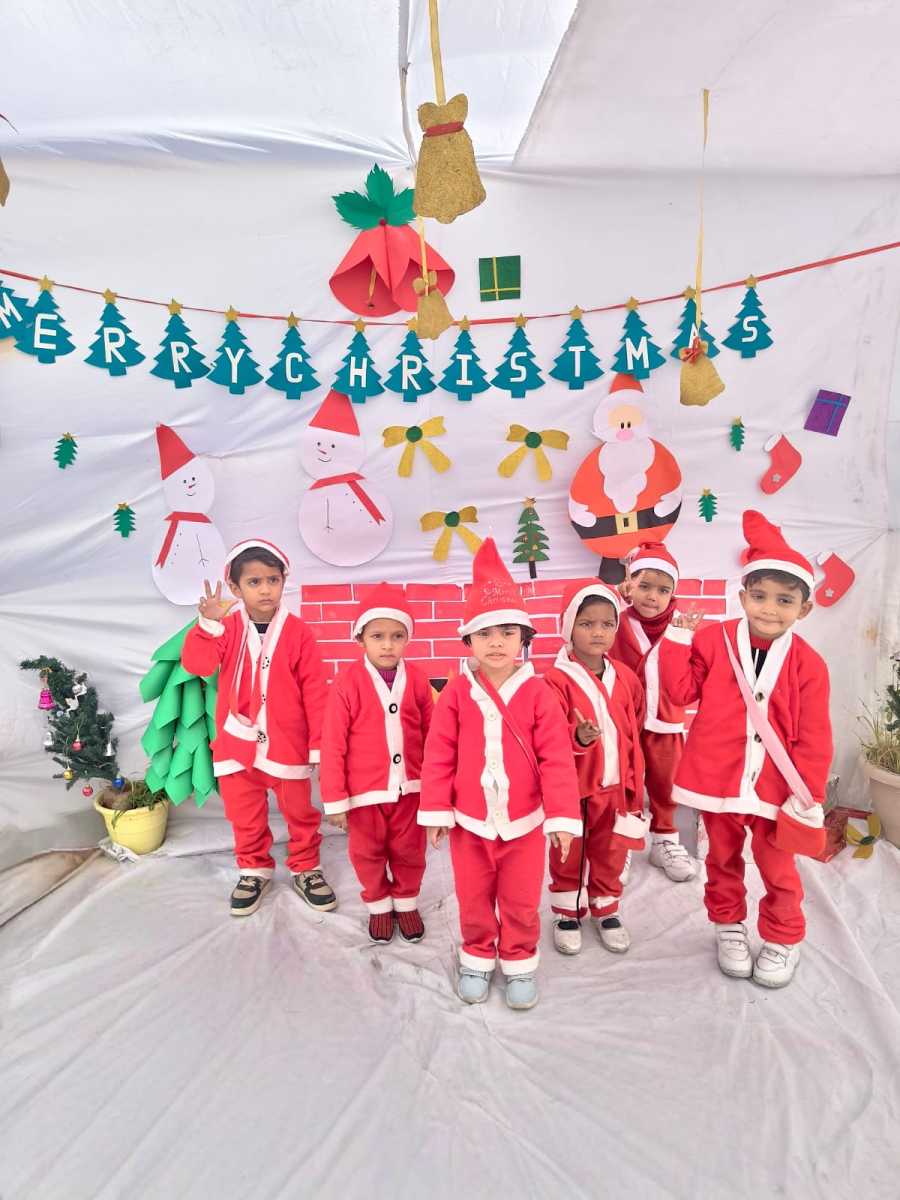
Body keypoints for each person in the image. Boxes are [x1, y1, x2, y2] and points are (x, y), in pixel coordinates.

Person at [659, 511, 832, 988]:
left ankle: (783, 936)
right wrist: (677, 639)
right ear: (742, 597)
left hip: (776, 788)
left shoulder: (809, 664)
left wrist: (809, 793)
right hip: (719, 779)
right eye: (759, 597)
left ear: (804, 609)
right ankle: (728, 926)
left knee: (778, 868)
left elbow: (815, 735)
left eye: (784, 600)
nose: (769, 609)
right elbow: (679, 693)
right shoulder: (713, 640)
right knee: (721, 860)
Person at [418, 538, 582, 1011]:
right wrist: (436, 811)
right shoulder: (455, 693)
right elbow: (439, 753)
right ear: (468, 640)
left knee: (521, 898)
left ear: (523, 639)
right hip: (470, 821)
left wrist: (562, 818)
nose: (496, 642)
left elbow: (556, 758)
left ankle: (519, 959)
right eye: (485, 633)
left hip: (524, 823)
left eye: (507, 632)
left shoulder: (538, 693)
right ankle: (476, 954)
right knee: (473, 896)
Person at [182, 539, 335, 917]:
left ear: (283, 581)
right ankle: (253, 869)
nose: (265, 589)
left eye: (272, 580)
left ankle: (306, 866)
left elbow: (315, 691)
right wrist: (208, 625)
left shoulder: (298, 632)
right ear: (235, 589)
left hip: (288, 743)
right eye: (254, 582)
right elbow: (198, 665)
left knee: (301, 812)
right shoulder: (225, 628)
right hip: (237, 743)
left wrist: (318, 744)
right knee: (244, 814)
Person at [320, 583, 433, 944]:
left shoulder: (417, 679)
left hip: (410, 789)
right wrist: (335, 800)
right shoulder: (347, 682)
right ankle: (379, 906)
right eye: (378, 636)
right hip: (363, 794)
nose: (388, 645)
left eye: (397, 636)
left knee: (410, 850)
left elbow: (433, 735)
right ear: (361, 639)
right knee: (367, 853)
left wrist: (436, 791)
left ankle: (406, 901)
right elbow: (333, 744)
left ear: (407, 639)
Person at [543, 581, 647, 956]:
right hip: (576, 787)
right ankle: (566, 912)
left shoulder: (626, 677)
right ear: (568, 626)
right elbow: (549, 736)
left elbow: (636, 723)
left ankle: (606, 908)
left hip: (616, 785)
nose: (598, 632)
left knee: (611, 851)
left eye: (607, 624)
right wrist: (579, 736)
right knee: (569, 851)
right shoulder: (555, 680)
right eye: (587, 624)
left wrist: (633, 777)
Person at [614, 542, 696, 883]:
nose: (652, 596)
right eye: (644, 586)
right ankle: (622, 843)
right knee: (625, 784)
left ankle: (665, 840)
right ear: (629, 585)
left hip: (666, 722)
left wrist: (683, 639)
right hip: (626, 724)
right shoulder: (615, 620)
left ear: (673, 593)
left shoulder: (681, 628)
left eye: (663, 590)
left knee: (666, 785)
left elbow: (689, 681)